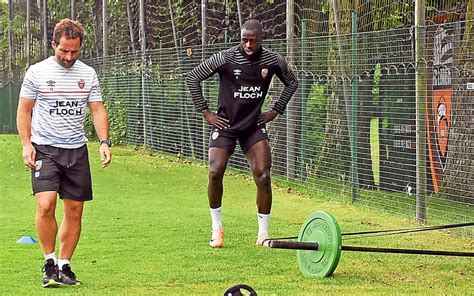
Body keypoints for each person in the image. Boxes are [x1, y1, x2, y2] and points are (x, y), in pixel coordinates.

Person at [17, 18, 112, 288]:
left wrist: (104, 141)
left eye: (74, 51)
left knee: (74, 211)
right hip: (44, 149)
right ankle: (49, 262)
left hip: (76, 151)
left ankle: (65, 265)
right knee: (45, 204)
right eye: (64, 51)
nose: (69, 56)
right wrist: (26, 144)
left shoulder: (88, 74)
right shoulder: (36, 72)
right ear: (53, 45)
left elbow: (96, 109)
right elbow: (24, 110)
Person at [187, 19, 298, 248]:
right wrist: (206, 112)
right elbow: (193, 77)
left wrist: (275, 111)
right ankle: (217, 228)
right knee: (215, 171)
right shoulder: (226, 57)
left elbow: (292, 82)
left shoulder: (272, 60)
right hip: (226, 125)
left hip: (253, 126)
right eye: (244, 40)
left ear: (261, 39)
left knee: (263, 174)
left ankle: (263, 234)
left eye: (253, 41)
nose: (248, 45)